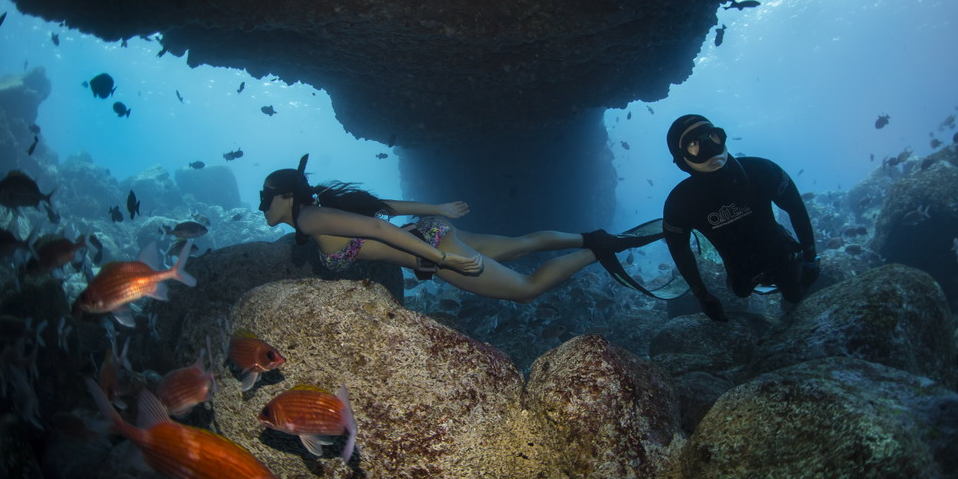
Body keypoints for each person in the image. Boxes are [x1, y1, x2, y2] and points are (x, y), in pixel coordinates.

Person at [259, 154, 632, 304]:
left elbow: (376, 225)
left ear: (287, 197)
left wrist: (441, 260)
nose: (262, 205)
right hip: (431, 232)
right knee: (520, 246)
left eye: (265, 198)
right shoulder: (319, 210)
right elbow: (384, 208)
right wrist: (437, 209)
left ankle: (598, 251)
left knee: (525, 290)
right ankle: (593, 237)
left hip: (434, 250)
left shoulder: (310, 217)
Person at [662, 114, 819, 321]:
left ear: (722, 137)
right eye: (694, 144)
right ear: (681, 159)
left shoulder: (763, 171)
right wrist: (703, 295)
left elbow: (796, 208)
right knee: (741, 290)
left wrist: (810, 256)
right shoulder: (680, 204)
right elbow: (679, 248)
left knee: (794, 293)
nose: (709, 148)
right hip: (740, 272)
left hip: (781, 254)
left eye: (713, 137)